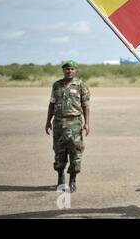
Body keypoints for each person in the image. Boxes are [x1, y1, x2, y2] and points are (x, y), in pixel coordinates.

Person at [45, 60, 90, 193]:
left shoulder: (81, 85)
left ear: (75, 70)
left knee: (75, 151)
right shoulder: (56, 85)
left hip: (75, 123)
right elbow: (51, 104)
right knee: (59, 152)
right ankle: (60, 178)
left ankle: (72, 180)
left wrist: (87, 123)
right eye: (66, 69)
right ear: (63, 70)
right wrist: (48, 121)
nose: (69, 71)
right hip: (58, 123)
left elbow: (86, 105)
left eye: (71, 69)